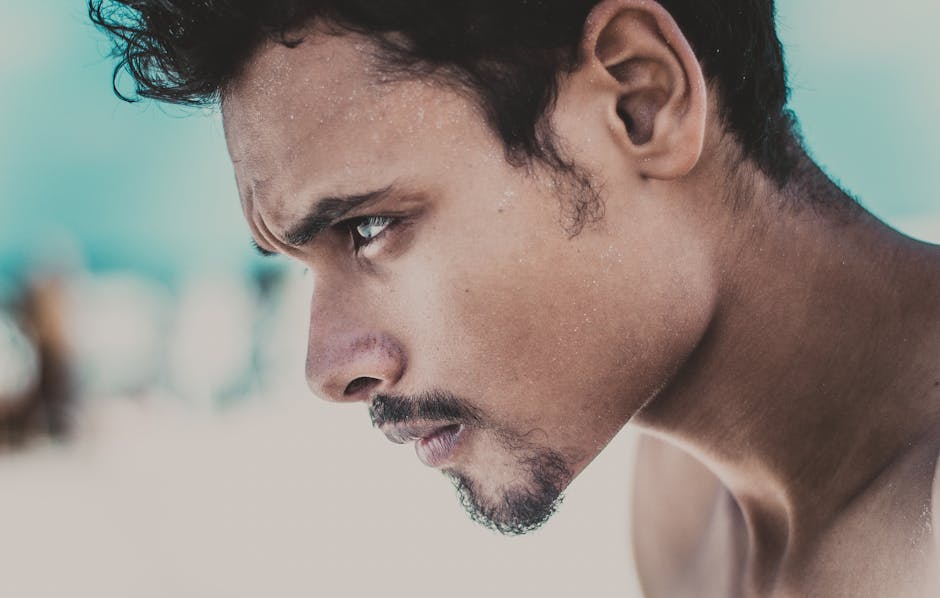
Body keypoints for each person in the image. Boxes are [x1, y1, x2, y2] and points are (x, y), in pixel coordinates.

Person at [90, 0, 940, 595]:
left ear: (641, 100)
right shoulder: (685, 499)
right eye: (298, 262)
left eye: (372, 227)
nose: (326, 368)